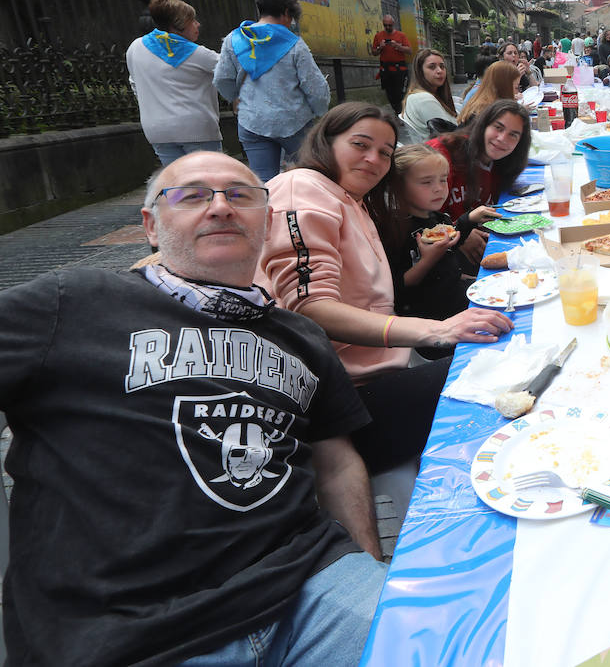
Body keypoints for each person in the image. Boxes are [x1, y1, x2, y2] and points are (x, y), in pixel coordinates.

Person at [0, 151, 386, 665]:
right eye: (192, 195)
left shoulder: (302, 337)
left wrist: (369, 570)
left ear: (267, 221)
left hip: (311, 588)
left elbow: (336, 464)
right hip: (125, 630)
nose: (221, 207)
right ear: (151, 226)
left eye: (241, 195)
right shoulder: (73, 302)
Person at [257, 103, 513, 476]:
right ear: (326, 142)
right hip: (343, 404)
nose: (373, 159)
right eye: (360, 144)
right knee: (497, 369)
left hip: (383, 373)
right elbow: (310, 307)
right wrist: (438, 330)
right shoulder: (302, 188)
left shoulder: (353, 200)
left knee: (506, 345)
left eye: (384, 152)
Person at [215, 0, 331, 182]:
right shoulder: (295, 44)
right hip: (295, 122)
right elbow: (316, 90)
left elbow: (222, 78)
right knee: (305, 177)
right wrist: (320, 112)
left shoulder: (234, 40)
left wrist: (235, 98)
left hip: (252, 121)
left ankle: (269, 212)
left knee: (264, 182)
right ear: (286, 12)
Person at [383, 144, 498, 320]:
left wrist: (468, 220)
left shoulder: (437, 218)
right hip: (434, 318)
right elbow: (398, 286)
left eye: (443, 179)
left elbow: (450, 244)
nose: (439, 188)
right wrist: (428, 260)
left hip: (457, 296)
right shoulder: (394, 230)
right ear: (398, 186)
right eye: (426, 182)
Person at [126, 0, 222, 165]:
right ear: (179, 25)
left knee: (177, 185)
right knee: (208, 182)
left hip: (157, 130)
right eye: (193, 21)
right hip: (197, 129)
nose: (198, 25)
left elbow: (134, 83)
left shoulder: (135, 47)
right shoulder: (199, 54)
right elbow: (232, 70)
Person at [429, 98, 532, 231]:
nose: (502, 139)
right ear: (484, 125)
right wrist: (458, 235)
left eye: (513, 135)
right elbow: (421, 218)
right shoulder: (443, 154)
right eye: (498, 128)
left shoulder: (503, 164)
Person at [399, 48, 459, 144]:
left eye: (442, 66)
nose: (439, 71)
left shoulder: (420, 96)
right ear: (420, 71)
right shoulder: (423, 99)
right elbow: (451, 137)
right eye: (432, 67)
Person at [456, 60, 522, 126]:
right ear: (504, 87)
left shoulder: (485, 100)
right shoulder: (488, 111)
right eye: (516, 88)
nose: (517, 92)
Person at [371, 14, 412, 113]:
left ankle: (400, 113)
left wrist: (398, 46)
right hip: (386, 69)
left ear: (393, 24)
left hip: (399, 69)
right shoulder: (378, 36)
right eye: (385, 25)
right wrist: (380, 47)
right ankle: (398, 112)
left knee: (399, 93)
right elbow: (373, 52)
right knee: (389, 93)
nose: (388, 27)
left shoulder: (401, 35)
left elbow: (409, 50)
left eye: (390, 25)